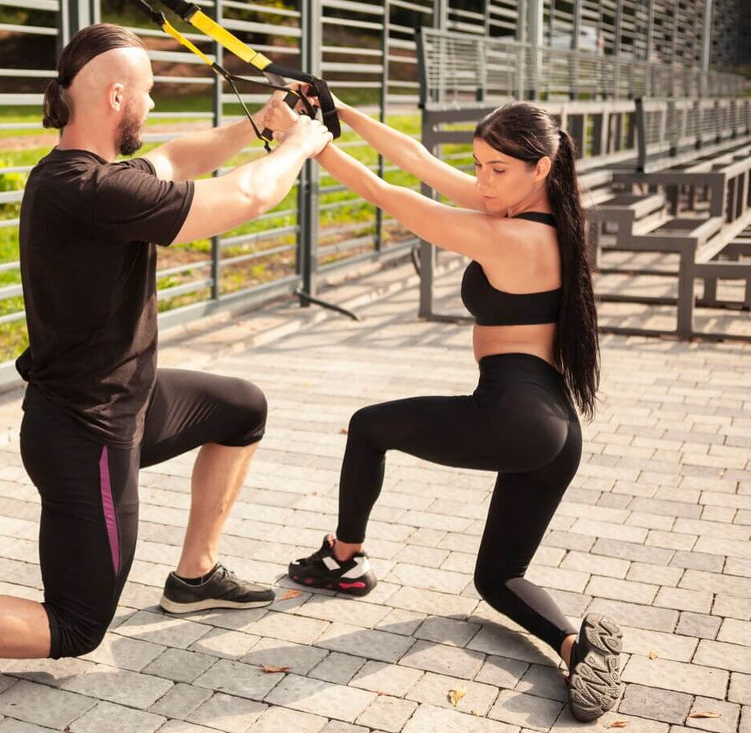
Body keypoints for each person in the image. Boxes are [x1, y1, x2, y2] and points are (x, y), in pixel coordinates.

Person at [0, 24, 332, 722]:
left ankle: (195, 575)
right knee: (77, 625)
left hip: (126, 402)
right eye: (146, 91)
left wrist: (264, 124)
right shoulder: (90, 190)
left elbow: (181, 155)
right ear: (116, 94)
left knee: (242, 408)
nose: (150, 105)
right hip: (87, 436)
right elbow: (242, 201)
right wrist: (301, 144)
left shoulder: (82, 174)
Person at [265, 95, 623, 722]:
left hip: (512, 414)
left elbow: (390, 194)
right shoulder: (544, 212)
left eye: (496, 170)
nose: (482, 182)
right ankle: (577, 646)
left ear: (540, 167)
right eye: (479, 165)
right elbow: (418, 159)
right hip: (555, 432)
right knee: (498, 577)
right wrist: (341, 112)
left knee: (370, 428)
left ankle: (343, 559)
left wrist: (310, 142)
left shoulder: (507, 232)